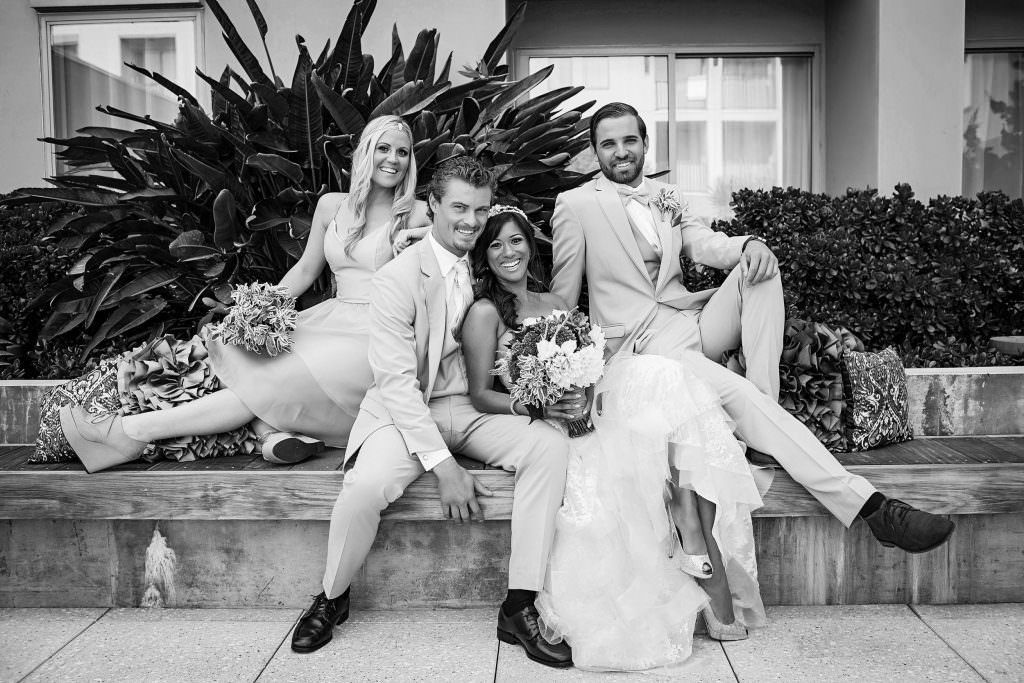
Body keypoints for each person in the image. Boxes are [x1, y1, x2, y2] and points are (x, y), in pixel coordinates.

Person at [549, 103, 956, 608]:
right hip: (641, 350)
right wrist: (566, 373)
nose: (620, 152)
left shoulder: (666, 196)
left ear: (645, 143)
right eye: (608, 144)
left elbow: (703, 243)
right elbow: (564, 300)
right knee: (736, 392)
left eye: (629, 141)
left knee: (760, 269)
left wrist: (750, 243)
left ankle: (764, 408)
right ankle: (873, 508)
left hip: (689, 324)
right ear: (595, 151)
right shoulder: (575, 204)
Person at [289, 156, 576, 669]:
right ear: (434, 206)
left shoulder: (486, 264)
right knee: (365, 487)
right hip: (407, 413)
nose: (471, 221)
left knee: (550, 447)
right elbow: (396, 384)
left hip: (472, 407)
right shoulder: (397, 277)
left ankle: (519, 604)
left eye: (481, 210)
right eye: (459, 208)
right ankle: (332, 595)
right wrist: (445, 468)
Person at [460, 205, 768, 670]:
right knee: (638, 449)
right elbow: (480, 395)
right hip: (545, 424)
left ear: (530, 247)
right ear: (484, 255)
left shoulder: (554, 303)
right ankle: (696, 543)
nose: (509, 252)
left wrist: (585, 388)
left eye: (517, 240)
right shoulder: (485, 313)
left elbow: (592, 367)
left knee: (669, 378)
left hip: (587, 411)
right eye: (496, 244)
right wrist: (540, 405)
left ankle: (689, 516)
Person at [59, 115, 431, 471]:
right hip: (335, 317)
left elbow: (446, 267)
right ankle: (271, 436)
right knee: (245, 358)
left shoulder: (417, 215)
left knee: (275, 380)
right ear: (366, 151)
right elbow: (304, 269)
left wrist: (422, 244)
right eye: (384, 148)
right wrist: (260, 309)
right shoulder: (331, 205)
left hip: (379, 329)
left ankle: (129, 433)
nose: (393, 159)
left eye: (403, 152)